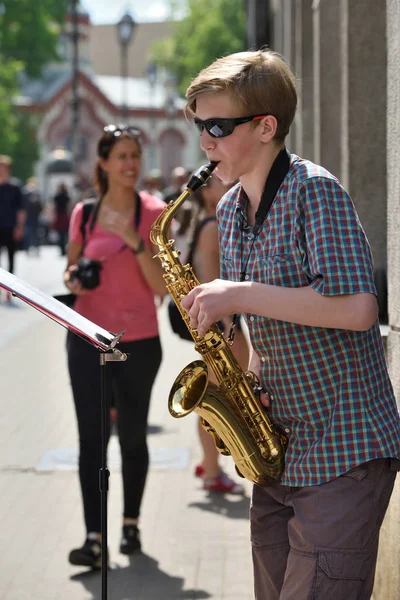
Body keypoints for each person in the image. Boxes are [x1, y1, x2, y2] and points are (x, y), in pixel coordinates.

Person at [181, 49, 400, 599]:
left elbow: (358, 309)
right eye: (198, 126)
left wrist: (239, 293)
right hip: (282, 452)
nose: (204, 142)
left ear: (265, 127)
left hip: (344, 449)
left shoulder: (314, 191)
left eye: (217, 126)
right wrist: (244, 383)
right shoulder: (229, 212)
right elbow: (267, 327)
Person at [64, 124, 166, 569]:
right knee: (92, 441)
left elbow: (162, 288)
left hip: (139, 342)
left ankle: (130, 523)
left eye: (135, 156)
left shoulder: (155, 212)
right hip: (86, 339)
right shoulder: (84, 214)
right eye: (121, 156)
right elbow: (70, 269)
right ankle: (94, 537)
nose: (130, 164)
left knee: (132, 439)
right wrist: (73, 277)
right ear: (102, 163)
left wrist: (131, 239)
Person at [189, 172, 249, 494]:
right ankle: (212, 469)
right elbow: (212, 281)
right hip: (222, 327)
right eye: (221, 182)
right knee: (216, 402)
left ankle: (208, 463)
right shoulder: (212, 227)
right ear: (208, 193)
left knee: (216, 398)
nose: (230, 184)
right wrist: (229, 329)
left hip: (218, 325)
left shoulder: (209, 222)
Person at [0, 155, 26, 297]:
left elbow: (20, 209)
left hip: (10, 226)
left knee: (11, 258)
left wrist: (19, 227)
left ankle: (9, 290)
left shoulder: (15, 186)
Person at [23, 176, 42, 255]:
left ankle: (27, 248)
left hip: (29, 215)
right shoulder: (37, 192)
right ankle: (35, 247)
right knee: (35, 232)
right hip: (34, 215)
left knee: (29, 232)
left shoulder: (26, 192)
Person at [52, 182, 72, 256]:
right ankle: (64, 248)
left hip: (59, 215)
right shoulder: (67, 196)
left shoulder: (56, 196)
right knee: (66, 234)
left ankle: (61, 248)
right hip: (64, 215)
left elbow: (54, 207)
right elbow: (69, 207)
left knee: (60, 234)